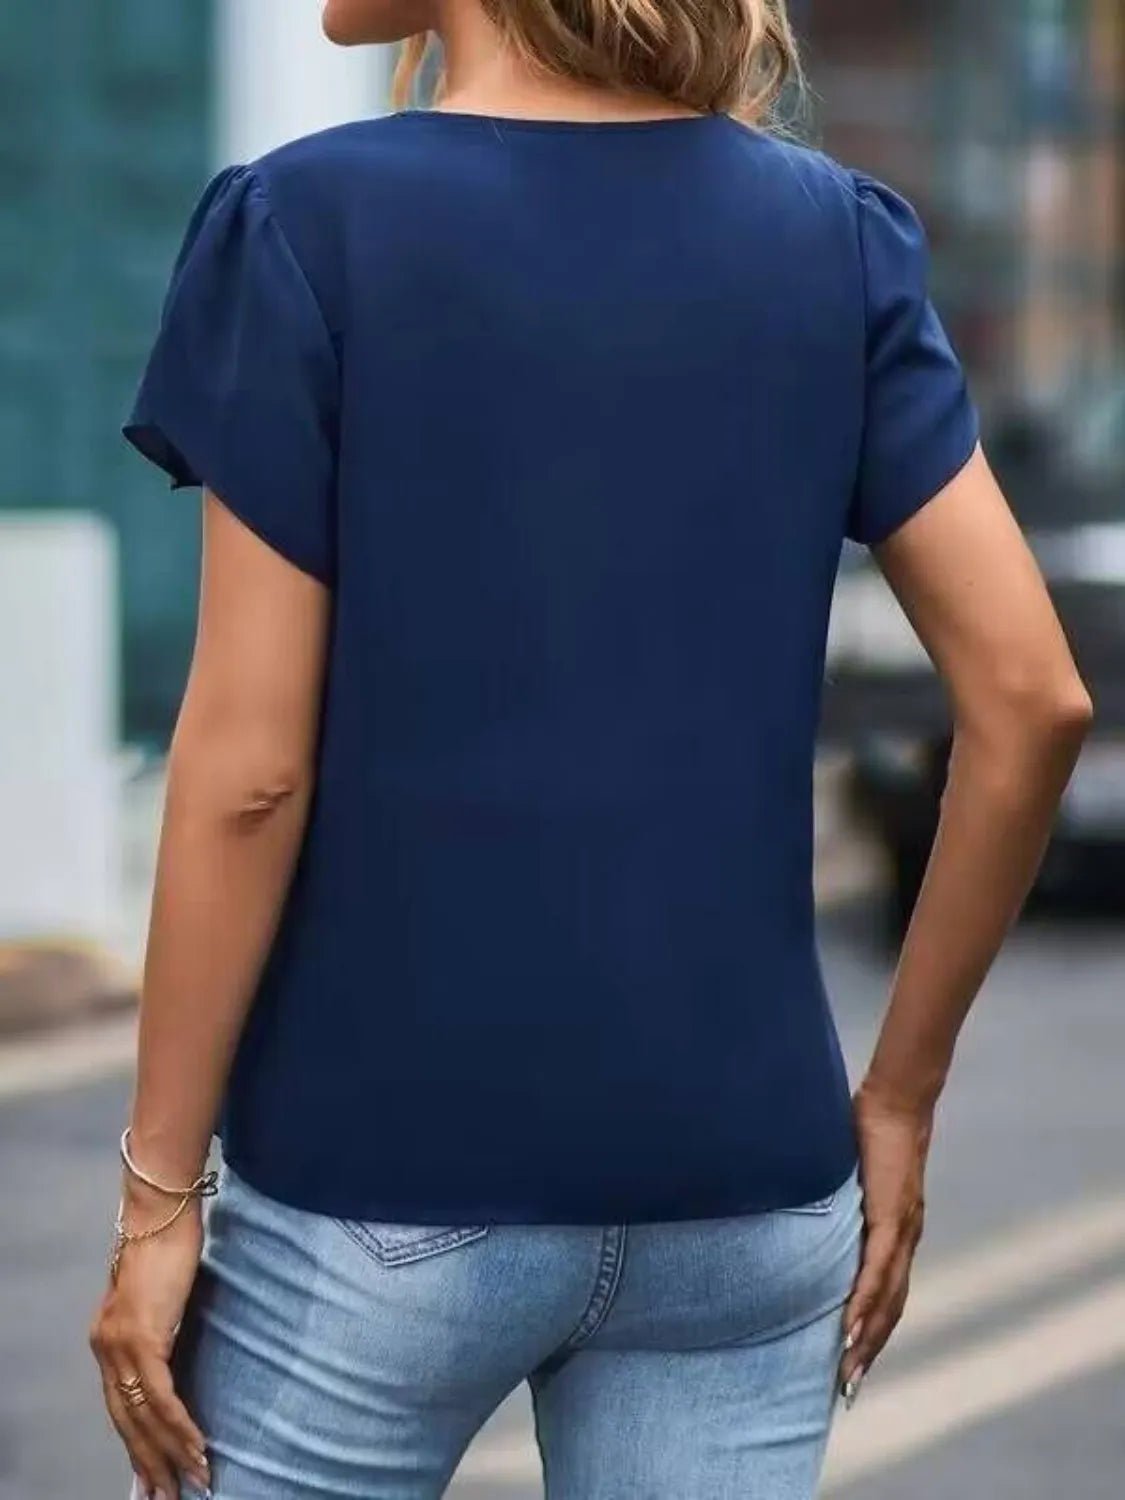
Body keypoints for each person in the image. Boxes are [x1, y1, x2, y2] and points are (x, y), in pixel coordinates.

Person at [87, 0, 1093, 1495]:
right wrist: (898, 1095)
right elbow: (1029, 698)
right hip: (745, 1192)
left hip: (383, 1182)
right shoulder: (837, 240)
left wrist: (160, 1194)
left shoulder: (306, 224)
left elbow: (249, 771)